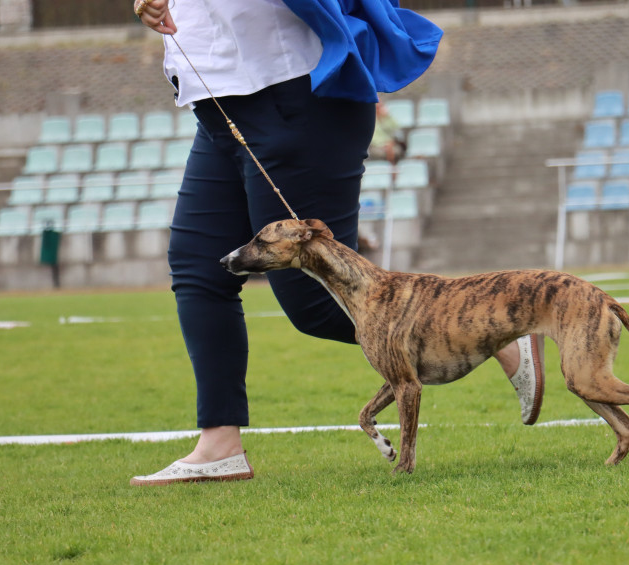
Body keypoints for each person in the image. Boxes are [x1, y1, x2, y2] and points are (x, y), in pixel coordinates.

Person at [130, 0, 544, 485]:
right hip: (217, 108)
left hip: (294, 98)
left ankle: (492, 331)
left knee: (318, 307)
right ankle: (220, 445)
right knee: (200, 268)